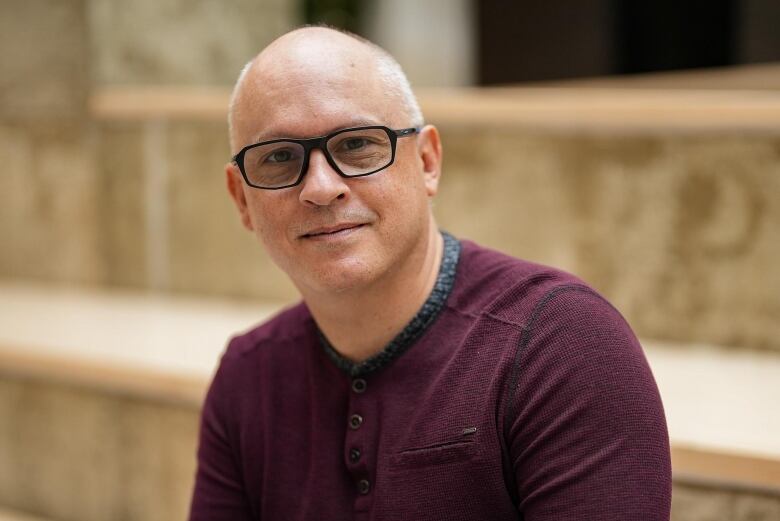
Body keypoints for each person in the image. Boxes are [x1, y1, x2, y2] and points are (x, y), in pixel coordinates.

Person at [189, 26, 671, 521]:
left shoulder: (561, 345)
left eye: (357, 144)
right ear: (242, 199)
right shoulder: (247, 377)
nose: (320, 187)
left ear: (426, 162)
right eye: (279, 158)